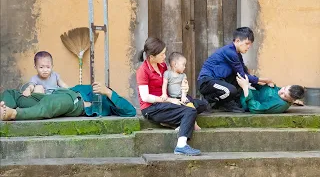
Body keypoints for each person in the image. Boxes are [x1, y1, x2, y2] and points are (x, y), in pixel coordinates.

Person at [136, 37, 207, 156]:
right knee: (190, 111)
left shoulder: (162, 65)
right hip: (152, 108)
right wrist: (170, 100)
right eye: (162, 54)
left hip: (167, 102)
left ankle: (176, 122)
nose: (165, 57)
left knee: (201, 105)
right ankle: (181, 145)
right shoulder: (142, 71)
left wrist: (184, 88)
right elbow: (145, 97)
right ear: (152, 57)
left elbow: (172, 80)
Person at [197, 27, 274, 113]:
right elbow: (243, 76)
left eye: (250, 44)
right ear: (237, 41)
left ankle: (224, 103)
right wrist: (266, 80)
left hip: (219, 81)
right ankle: (209, 99)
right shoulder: (230, 52)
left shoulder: (237, 54)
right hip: (206, 82)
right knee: (231, 90)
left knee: (239, 80)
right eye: (246, 43)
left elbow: (243, 73)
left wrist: (258, 81)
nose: (248, 47)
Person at [0, 82, 136, 121]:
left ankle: (14, 114)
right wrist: (30, 87)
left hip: (75, 103)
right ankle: (3, 107)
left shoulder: (108, 101)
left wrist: (108, 92)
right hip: (58, 94)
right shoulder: (88, 88)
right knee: (13, 94)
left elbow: (131, 111)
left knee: (50, 106)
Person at [161, 52, 201, 130]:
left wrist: (183, 96)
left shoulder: (183, 76)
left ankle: (193, 123)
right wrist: (164, 94)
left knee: (190, 107)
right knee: (174, 110)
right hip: (172, 98)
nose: (185, 67)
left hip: (181, 96)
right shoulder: (167, 74)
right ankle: (174, 123)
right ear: (175, 64)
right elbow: (164, 85)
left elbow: (184, 87)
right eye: (183, 64)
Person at [236, 73, 305, 113]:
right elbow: (265, 89)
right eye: (284, 88)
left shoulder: (279, 104)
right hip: (247, 92)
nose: (281, 92)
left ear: (291, 100)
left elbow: (256, 109)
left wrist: (245, 88)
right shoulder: (280, 91)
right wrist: (264, 81)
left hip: (242, 101)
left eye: (285, 95)